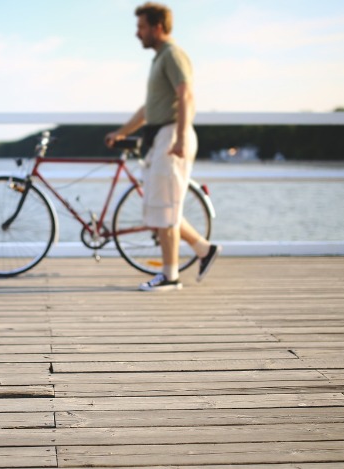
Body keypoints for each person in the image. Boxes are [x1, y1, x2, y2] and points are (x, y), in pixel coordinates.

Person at [105, 2, 220, 292]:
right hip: (161, 136)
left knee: (165, 210)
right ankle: (204, 249)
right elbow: (149, 109)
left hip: (171, 137)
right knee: (161, 208)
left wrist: (180, 137)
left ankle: (170, 277)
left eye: (141, 27)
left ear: (157, 27)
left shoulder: (173, 55)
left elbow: (186, 96)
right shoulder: (159, 60)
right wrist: (121, 133)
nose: (137, 33)